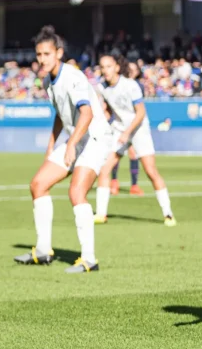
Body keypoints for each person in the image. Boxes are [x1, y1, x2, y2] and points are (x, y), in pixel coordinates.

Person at [14, 26, 111, 273]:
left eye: (46, 54)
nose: (42, 59)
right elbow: (61, 114)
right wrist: (52, 144)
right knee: (38, 185)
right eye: (39, 54)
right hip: (74, 138)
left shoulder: (73, 77)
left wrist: (69, 144)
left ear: (58, 53)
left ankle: (89, 259)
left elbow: (87, 113)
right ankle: (44, 250)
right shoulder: (48, 80)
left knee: (76, 191)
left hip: (94, 137)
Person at [94, 55, 175, 226]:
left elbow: (140, 112)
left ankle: (168, 214)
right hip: (119, 129)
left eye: (108, 66)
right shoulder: (102, 88)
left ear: (117, 67)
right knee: (104, 169)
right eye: (102, 66)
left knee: (151, 171)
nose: (105, 70)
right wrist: (101, 121)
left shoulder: (130, 85)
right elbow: (109, 110)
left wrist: (128, 132)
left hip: (138, 129)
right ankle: (101, 214)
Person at [108, 61, 144, 196]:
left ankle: (134, 185)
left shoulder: (137, 86)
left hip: (134, 125)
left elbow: (140, 108)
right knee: (115, 154)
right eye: (130, 69)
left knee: (133, 153)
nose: (132, 71)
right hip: (119, 125)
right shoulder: (117, 85)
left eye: (135, 69)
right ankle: (114, 182)